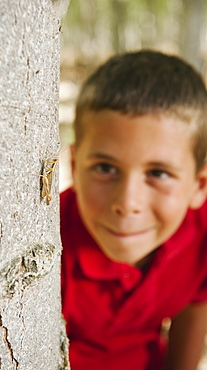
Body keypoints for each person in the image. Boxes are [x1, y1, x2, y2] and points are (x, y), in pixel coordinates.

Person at [60, 50, 207, 370]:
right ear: (74, 166)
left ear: (199, 186)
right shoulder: (43, 244)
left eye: (158, 173)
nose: (127, 203)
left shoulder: (201, 232)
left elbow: (196, 302)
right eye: (104, 167)